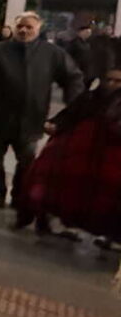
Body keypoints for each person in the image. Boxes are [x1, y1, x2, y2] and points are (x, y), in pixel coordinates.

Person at [0, 11, 85, 209]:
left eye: (29, 27)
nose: (23, 30)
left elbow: (73, 78)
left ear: (38, 29)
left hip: (31, 119)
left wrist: (69, 112)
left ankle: (19, 196)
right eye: (20, 26)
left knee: (27, 163)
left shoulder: (51, 54)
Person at [15, 65, 121, 239]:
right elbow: (71, 113)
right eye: (108, 79)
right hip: (79, 151)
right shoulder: (91, 97)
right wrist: (55, 124)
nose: (111, 84)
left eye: (117, 81)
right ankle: (51, 218)